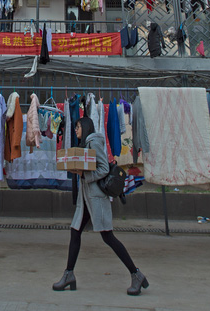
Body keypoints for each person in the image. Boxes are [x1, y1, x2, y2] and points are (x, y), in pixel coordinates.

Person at [52, 117, 149, 296]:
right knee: (75, 232)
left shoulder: (94, 141)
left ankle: (136, 274)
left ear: (86, 127)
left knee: (108, 237)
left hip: (96, 198)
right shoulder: (86, 144)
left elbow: (103, 168)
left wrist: (83, 175)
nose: (76, 130)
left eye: (78, 126)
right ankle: (69, 274)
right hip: (86, 200)